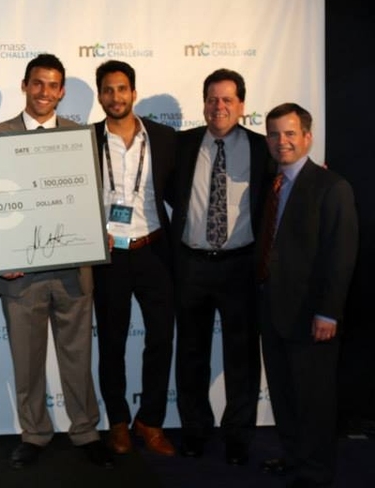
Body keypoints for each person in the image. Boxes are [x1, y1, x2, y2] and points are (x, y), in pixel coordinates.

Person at [0, 54, 112, 469]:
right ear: (25, 85)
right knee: (27, 360)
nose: (45, 92)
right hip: (19, 275)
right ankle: (34, 433)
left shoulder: (81, 137)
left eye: (53, 85)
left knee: (78, 358)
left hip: (72, 270)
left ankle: (86, 431)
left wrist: (99, 236)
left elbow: (89, 200)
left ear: (61, 92)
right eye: (37, 83)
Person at [168, 68, 269, 465]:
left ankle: (238, 437)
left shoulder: (264, 150)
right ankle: (194, 431)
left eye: (228, 99)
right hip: (191, 265)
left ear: (242, 105)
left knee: (241, 358)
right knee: (191, 354)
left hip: (240, 266)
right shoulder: (182, 144)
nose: (219, 106)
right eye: (212, 99)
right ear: (203, 103)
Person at [256, 103, 357, 488]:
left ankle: (315, 472)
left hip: (312, 315)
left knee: (314, 399)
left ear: (308, 137)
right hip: (272, 308)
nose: (282, 141)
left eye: (290, 133)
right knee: (283, 392)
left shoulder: (332, 187)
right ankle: (294, 456)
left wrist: (328, 313)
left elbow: (341, 254)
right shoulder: (272, 183)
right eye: (275, 134)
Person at [91, 60, 177, 457]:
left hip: (154, 250)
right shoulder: (85, 140)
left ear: (133, 93)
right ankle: (119, 422)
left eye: (122, 89)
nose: (115, 97)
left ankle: (152, 420)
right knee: (111, 343)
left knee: (160, 339)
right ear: (100, 95)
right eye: (108, 90)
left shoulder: (163, 138)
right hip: (109, 257)